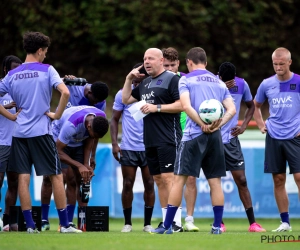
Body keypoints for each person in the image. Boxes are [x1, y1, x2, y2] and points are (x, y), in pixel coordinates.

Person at [0, 31, 81, 233]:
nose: (45, 55)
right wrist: (57, 115)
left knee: (23, 178)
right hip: (41, 132)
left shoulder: (12, 75)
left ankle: (30, 226)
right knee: (55, 176)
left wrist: (11, 116)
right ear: (39, 50)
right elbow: (65, 92)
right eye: (45, 51)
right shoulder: (47, 70)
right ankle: (65, 225)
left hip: (18, 134)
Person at [151, 47, 236, 235]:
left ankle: (167, 226)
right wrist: (218, 124)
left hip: (192, 136)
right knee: (215, 182)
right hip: (215, 136)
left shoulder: (185, 79)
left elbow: (186, 106)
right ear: (205, 63)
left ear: (189, 62)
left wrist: (201, 124)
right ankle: (216, 227)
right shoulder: (219, 82)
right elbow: (232, 110)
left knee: (179, 180)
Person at [122, 48, 183, 232]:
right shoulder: (146, 83)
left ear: (161, 60)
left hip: (168, 138)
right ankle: (166, 223)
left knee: (168, 178)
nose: (146, 62)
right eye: (144, 59)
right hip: (149, 139)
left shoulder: (173, 79)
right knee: (158, 179)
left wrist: (156, 108)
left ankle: (176, 223)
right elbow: (125, 99)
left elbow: (182, 105)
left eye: (150, 58)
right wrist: (128, 79)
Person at [40, 78, 109, 231]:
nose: (93, 135)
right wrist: (79, 165)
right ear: (88, 125)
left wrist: (87, 163)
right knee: (52, 178)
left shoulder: (99, 119)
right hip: (58, 140)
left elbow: (91, 139)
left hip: (78, 142)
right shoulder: (72, 125)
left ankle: (71, 222)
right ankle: (44, 220)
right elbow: (57, 151)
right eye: (92, 133)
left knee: (75, 179)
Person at [253, 47, 300, 232]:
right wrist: (260, 124)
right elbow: (256, 106)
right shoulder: (266, 84)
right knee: (278, 179)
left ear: (289, 62)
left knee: (298, 177)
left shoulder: (298, 81)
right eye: (275, 64)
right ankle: (285, 222)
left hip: (295, 137)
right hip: (273, 136)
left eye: (282, 64)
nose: (278, 67)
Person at [218, 62, 266, 232]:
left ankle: (253, 223)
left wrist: (244, 125)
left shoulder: (242, 84)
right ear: (220, 77)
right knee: (215, 181)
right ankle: (219, 223)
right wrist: (221, 87)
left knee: (242, 181)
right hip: (213, 140)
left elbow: (251, 105)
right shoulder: (212, 84)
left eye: (232, 81)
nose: (231, 84)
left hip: (231, 139)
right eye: (227, 81)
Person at [110, 63, 155, 233]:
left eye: (141, 77)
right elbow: (114, 119)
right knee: (128, 184)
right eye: (136, 76)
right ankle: (127, 223)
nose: (138, 80)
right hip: (129, 147)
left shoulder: (152, 94)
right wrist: (115, 143)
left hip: (149, 146)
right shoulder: (123, 94)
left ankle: (147, 224)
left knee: (149, 183)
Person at [162, 47, 199, 232]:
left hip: (189, 133)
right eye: (165, 65)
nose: (169, 68)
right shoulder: (159, 82)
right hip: (169, 135)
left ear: (178, 64)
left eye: (172, 64)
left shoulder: (186, 80)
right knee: (170, 179)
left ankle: (189, 219)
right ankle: (172, 220)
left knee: (190, 178)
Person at [0, 55, 22, 231]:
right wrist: (7, 108)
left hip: (18, 142)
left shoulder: (23, 89)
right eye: (14, 68)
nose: (17, 72)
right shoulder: (1, 88)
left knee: (14, 182)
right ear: (6, 70)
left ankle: (8, 219)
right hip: (1, 142)